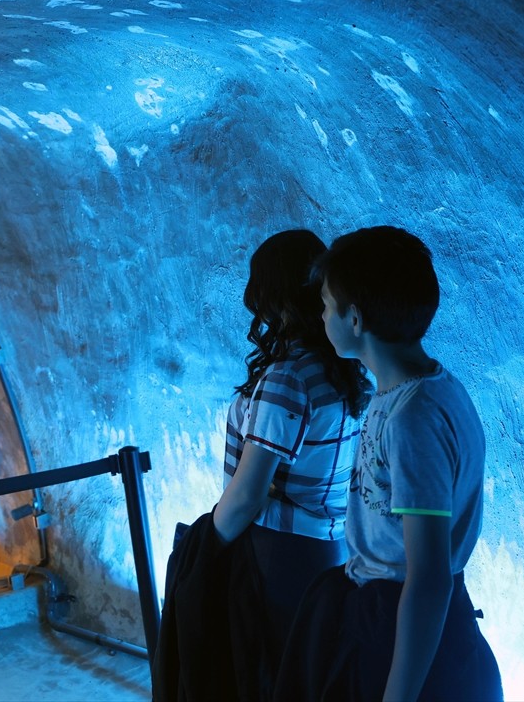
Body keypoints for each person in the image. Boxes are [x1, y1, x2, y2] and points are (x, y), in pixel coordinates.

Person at [275, 225, 501, 701]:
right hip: (383, 613)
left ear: (354, 319)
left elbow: (429, 576)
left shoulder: (414, 417)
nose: (319, 315)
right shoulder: (410, 391)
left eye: (324, 304)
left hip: (404, 628)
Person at [152, 229, 369, 701]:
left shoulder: (288, 376)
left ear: (273, 296)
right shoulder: (343, 371)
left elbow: (249, 492)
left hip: (276, 554)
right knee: (305, 674)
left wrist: (204, 550)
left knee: (262, 676)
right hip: (328, 550)